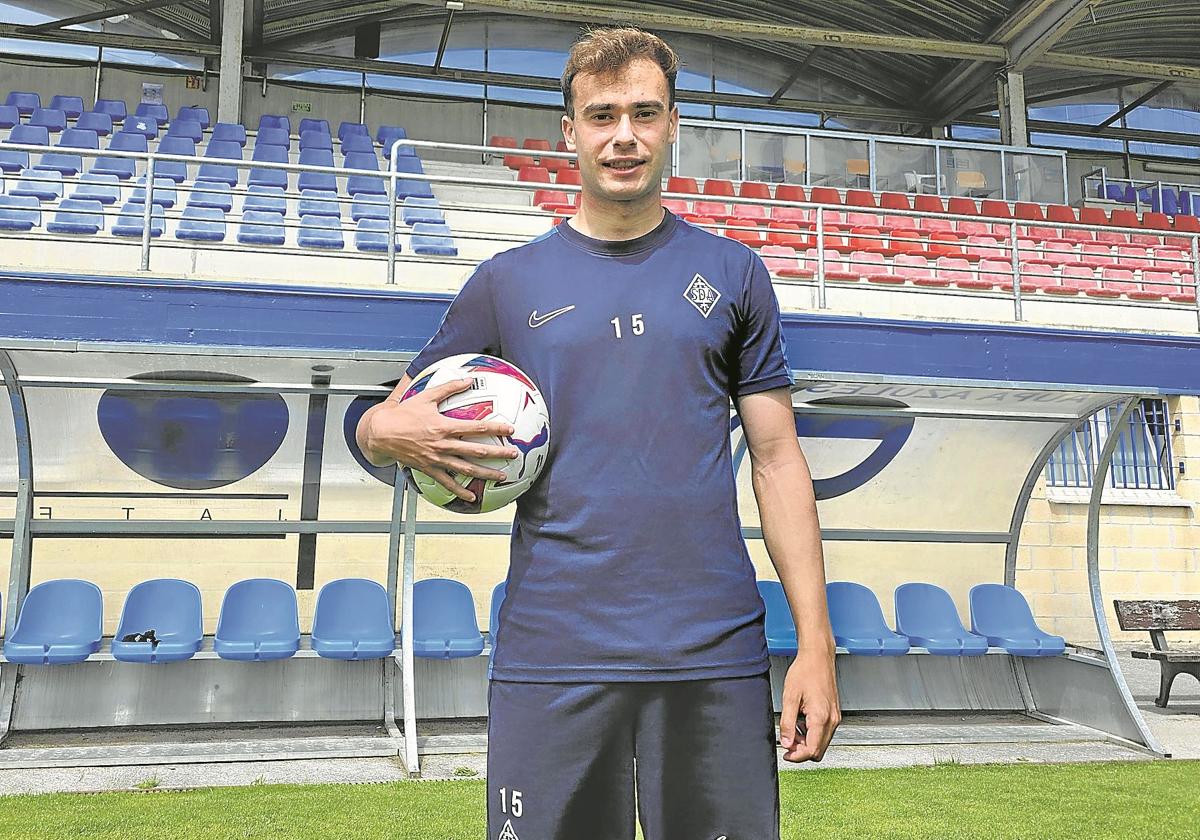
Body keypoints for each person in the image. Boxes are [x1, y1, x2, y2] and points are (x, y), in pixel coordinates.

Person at [356, 26, 839, 840]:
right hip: (554, 655)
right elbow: (381, 419)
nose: (624, 135)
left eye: (644, 114)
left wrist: (817, 646)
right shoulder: (508, 284)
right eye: (603, 114)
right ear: (569, 132)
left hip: (711, 653)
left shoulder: (733, 273)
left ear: (673, 124)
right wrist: (383, 429)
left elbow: (777, 457)